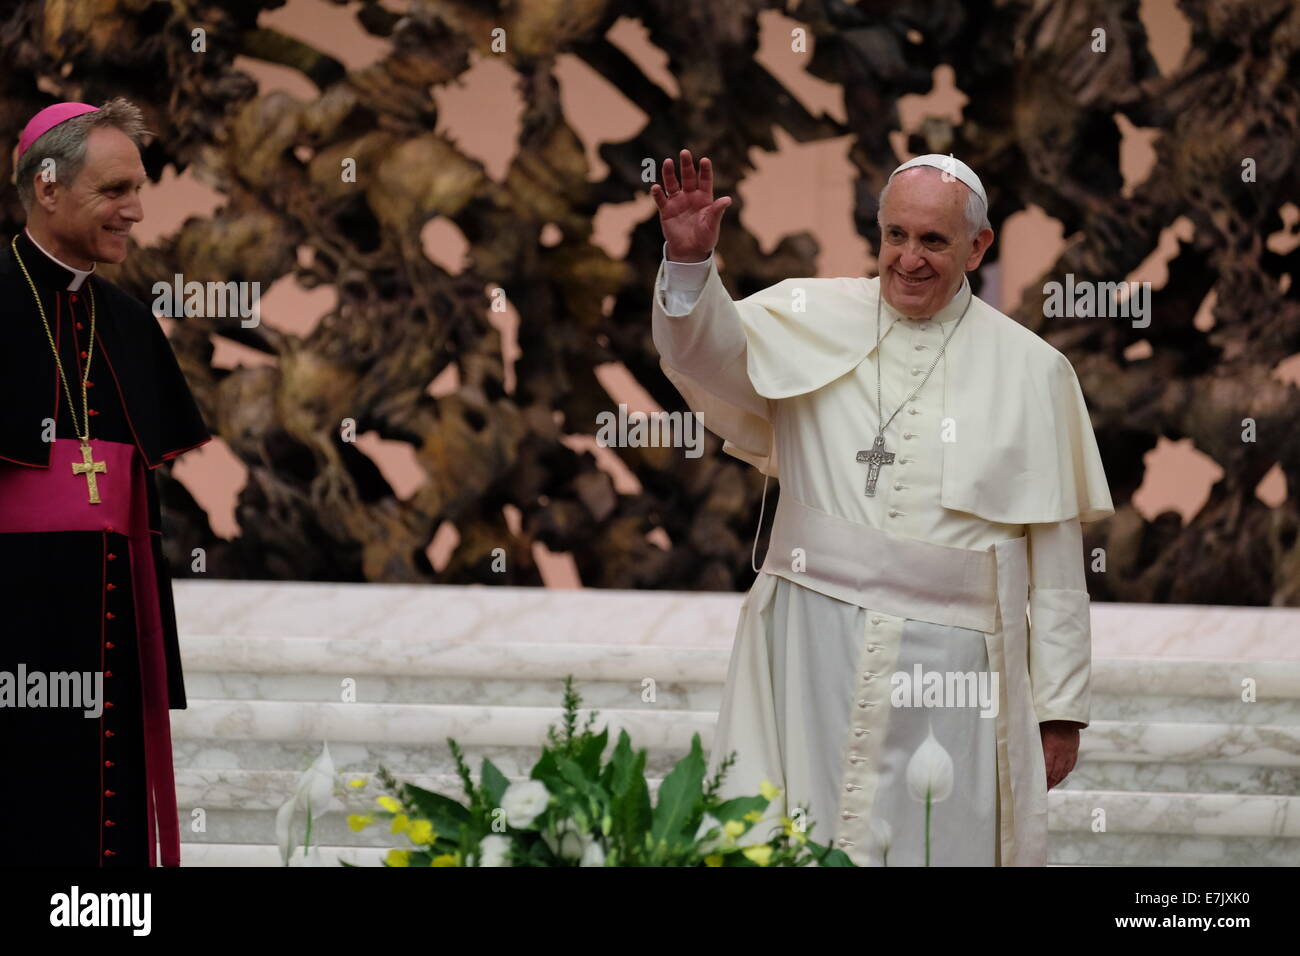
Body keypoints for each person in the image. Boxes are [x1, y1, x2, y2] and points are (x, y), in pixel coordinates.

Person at [650, 149, 1114, 865]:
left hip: (956, 676)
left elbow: (1055, 563)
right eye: (896, 236)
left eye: (933, 241)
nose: (909, 259)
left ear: (978, 245)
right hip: (808, 645)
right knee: (789, 834)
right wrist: (688, 266)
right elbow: (706, 354)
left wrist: (1059, 710)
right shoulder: (810, 312)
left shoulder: (1034, 370)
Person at [0, 98, 211, 866]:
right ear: (48, 187)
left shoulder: (127, 321)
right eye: (115, 190)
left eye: (139, 187)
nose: (137, 210)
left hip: (113, 623)